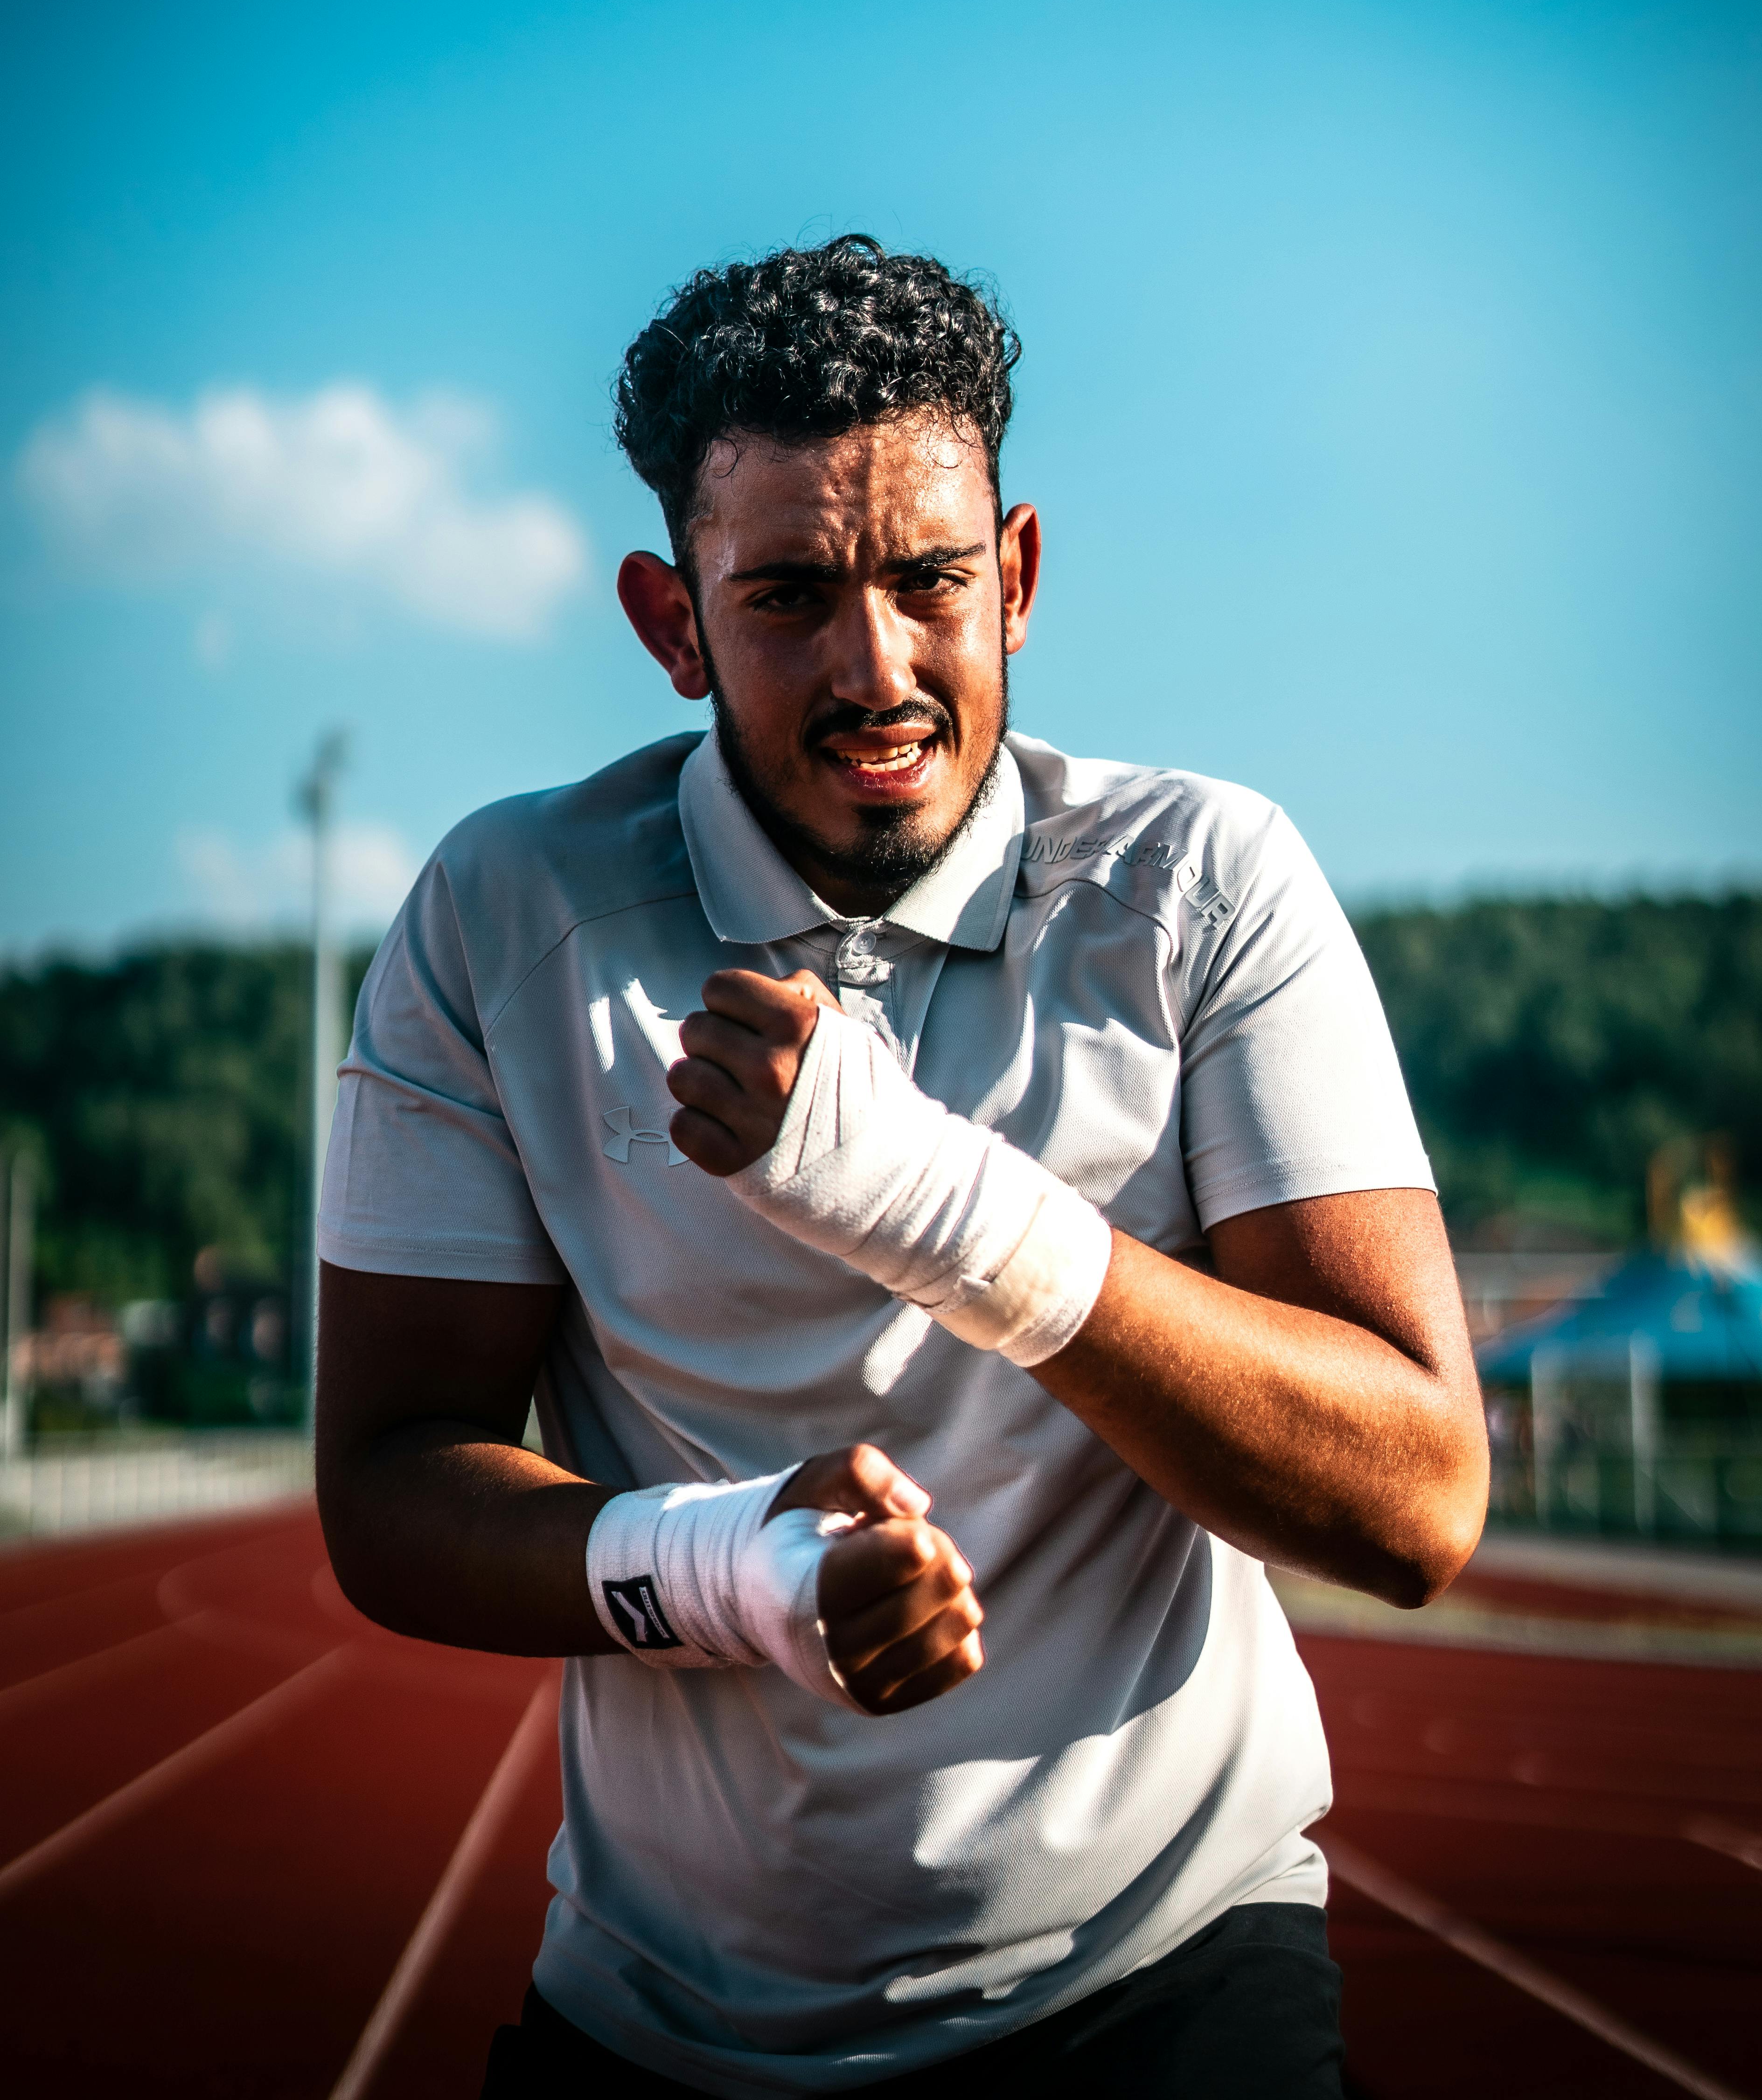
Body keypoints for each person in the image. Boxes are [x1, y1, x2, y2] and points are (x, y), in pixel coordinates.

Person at [315, 235, 1488, 2099]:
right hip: (658, 2017)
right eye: (785, 596)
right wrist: (729, 1574)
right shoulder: (499, 914)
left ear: (1015, 576)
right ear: (669, 619)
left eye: (931, 581)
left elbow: (1415, 1503)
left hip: (1166, 1979)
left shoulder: (1207, 886)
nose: (878, 668)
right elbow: (384, 1483)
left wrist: (950, 1206)